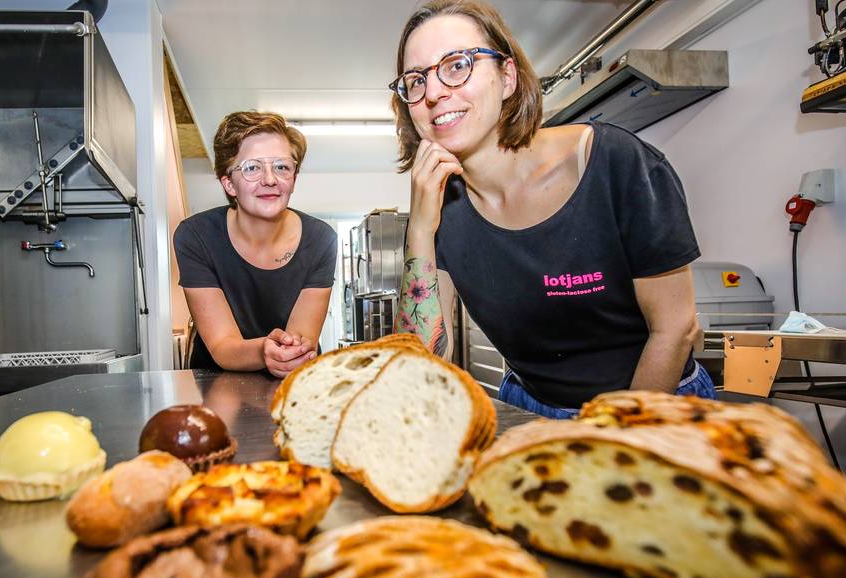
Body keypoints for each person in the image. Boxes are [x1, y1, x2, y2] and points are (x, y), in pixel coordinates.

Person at [391, 0, 715, 418]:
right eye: (416, 80)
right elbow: (420, 368)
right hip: (530, 408)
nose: (433, 93)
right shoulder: (439, 210)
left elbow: (675, 330)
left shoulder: (616, 162)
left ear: (507, 77)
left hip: (655, 406)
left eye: (457, 65)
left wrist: (613, 443)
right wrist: (419, 230)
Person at [174, 111, 337, 378]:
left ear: (293, 179)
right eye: (252, 167)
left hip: (290, 381)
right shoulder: (196, 236)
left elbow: (298, 343)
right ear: (229, 183)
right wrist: (265, 349)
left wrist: (288, 353)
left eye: (282, 166)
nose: (270, 179)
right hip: (218, 384)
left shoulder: (321, 239)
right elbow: (222, 345)